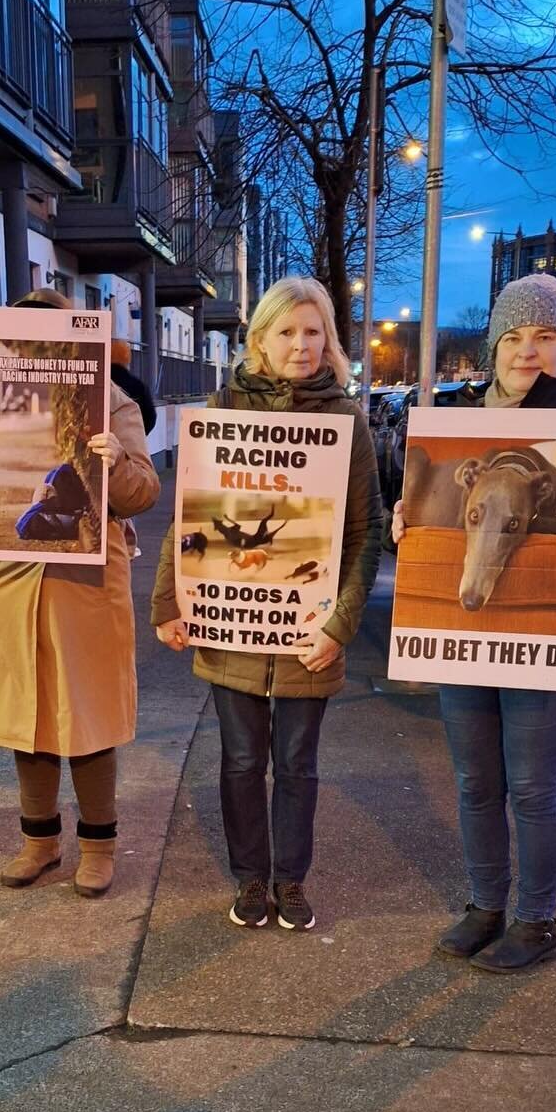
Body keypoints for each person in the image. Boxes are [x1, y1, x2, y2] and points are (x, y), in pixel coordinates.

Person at [391, 272, 556, 971]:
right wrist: (407, 518)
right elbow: (430, 502)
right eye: (514, 336)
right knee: (475, 779)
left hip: (547, 632)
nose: (527, 350)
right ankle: (485, 904)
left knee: (533, 783)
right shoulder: (463, 417)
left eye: (544, 336)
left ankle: (537, 920)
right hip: (465, 633)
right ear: (494, 347)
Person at [151, 277, 381, 932]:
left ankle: (291, 878)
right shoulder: (223, 409)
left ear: (329, 340)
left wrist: (341, 623)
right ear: (259, 340)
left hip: (310, 629)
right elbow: (188, 516)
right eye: (287, 332)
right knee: (242, 759)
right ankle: (252, 878)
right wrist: (169, 601)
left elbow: (366, 531)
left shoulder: (346, 420)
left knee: (299, 762)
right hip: (234, 622)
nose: (301, 345)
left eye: (314, 332)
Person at [0, 288, 160, 897]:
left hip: (82, 585)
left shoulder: (110, 400)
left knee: (86, 714)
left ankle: (99, 846)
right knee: (25, 713)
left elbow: (142, 492)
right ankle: (38, 842)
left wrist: (115, 461)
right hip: (6, 583)